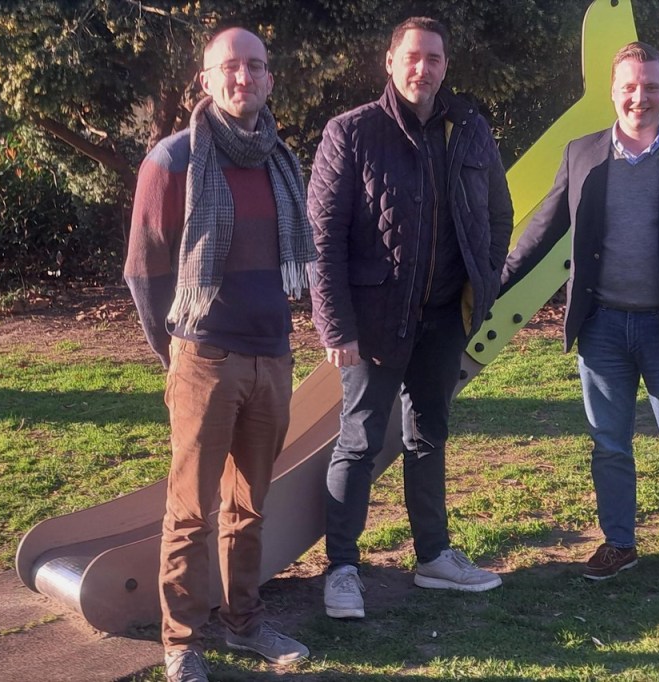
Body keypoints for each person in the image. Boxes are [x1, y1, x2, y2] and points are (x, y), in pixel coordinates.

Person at [500, 42, 659, 595]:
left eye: (651, 86)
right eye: (630, 87)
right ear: (613, 91)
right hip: (603, 327)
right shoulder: (581, 153)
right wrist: (492, 285)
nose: (640, 97)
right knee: (609, 445)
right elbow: (543, 229)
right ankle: (619, 543)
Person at [308, 16, 514, 619]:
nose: (423, 68)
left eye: (435, 58)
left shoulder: (470, 129)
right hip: (374, 322)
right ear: (391, 62)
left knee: (428, 437)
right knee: (359, 440)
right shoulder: (351, 132)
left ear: (446, 66)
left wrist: (484, 277)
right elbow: (323, 239)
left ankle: (433, 557)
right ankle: (342, 569)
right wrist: (336, 326)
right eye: (413, 57)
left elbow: (499, 214)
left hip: (445, 318)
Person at [125, 26, 314, 682]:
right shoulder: (172, 161)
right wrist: (179, 353)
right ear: (205, 81)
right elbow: (144, 272)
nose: (243, 77)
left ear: (269, 79)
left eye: (255, 66)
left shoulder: (282, 162)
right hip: (204, 357)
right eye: (229, 67)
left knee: (250, 506)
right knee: (190, 511)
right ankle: (182, 642)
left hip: (273, 356)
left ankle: (245, 622)